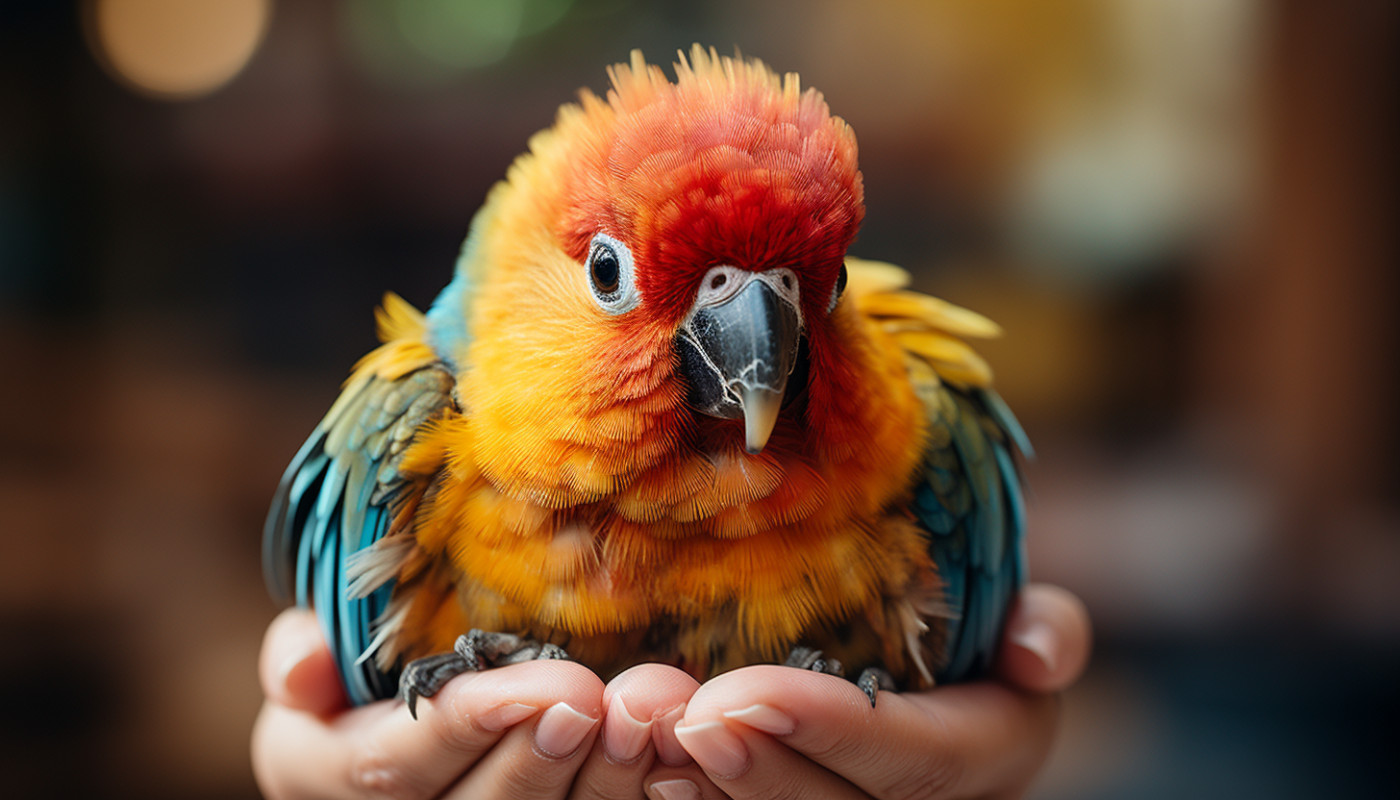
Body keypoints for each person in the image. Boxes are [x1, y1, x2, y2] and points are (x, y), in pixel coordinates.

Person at [252, 584, 1090, 799]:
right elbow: (339, 698)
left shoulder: (915, 399)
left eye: (814, 285)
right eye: (612, 276)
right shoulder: (417, 404)